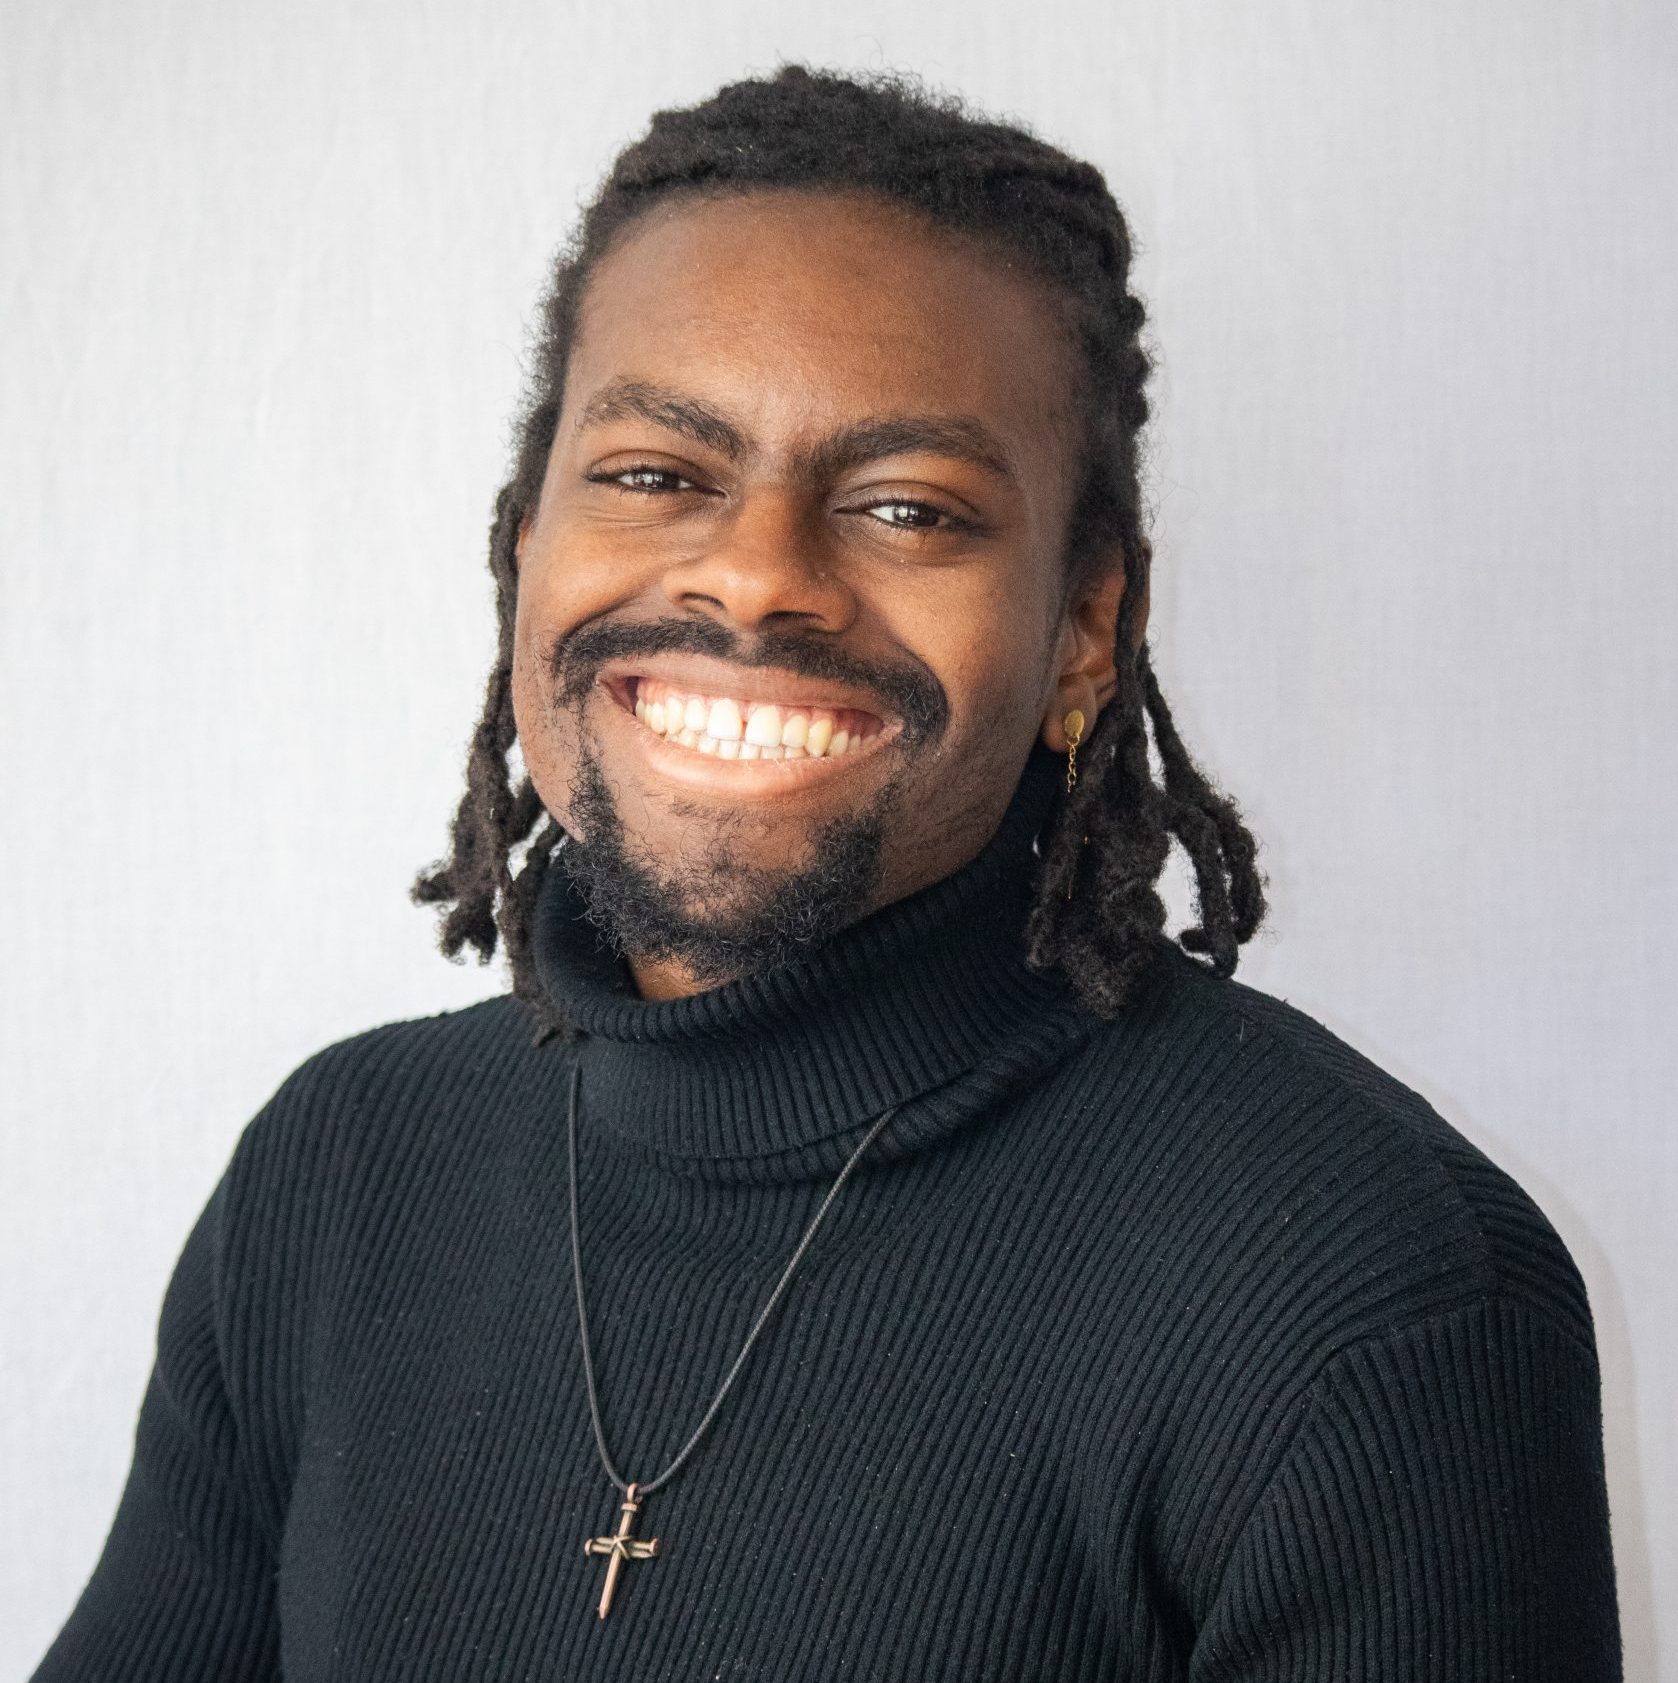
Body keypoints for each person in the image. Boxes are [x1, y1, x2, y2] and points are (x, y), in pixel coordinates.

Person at [31, 65, 1621, 1682]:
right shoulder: (340, 1174)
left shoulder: (1368, 1292)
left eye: (905, 507)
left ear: (1083, 629)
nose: (758, 576)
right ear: (523, 542)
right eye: (657, 473)